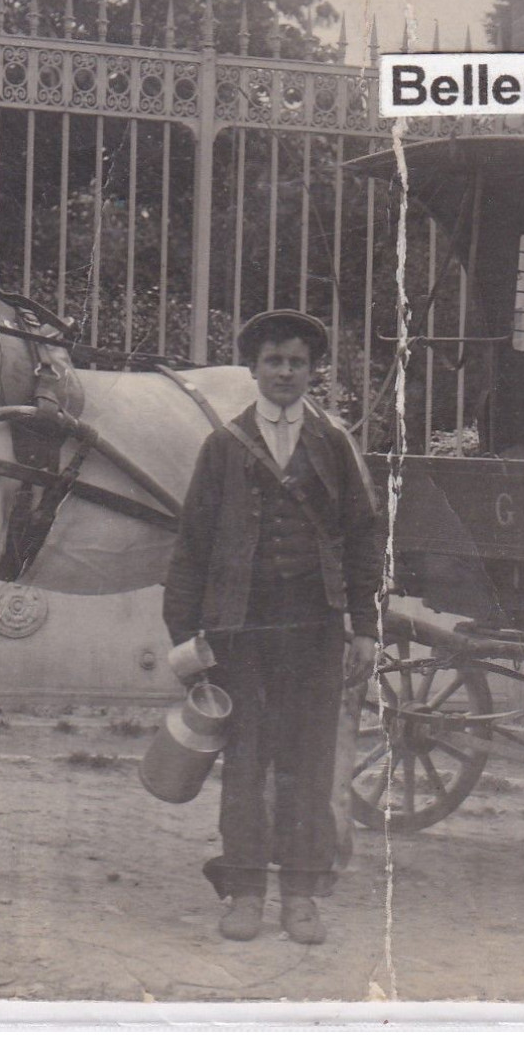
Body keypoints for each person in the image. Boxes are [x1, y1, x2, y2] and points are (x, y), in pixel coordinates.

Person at [163, 309, 382, 946]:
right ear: (254, 370)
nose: (285, 372)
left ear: (315, 372)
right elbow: (192, 548)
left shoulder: (334, 445)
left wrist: (364, 626)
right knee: (246, 763)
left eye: (297, 362)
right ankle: (245, 892)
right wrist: (185, 634)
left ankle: (302, 895)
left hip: (314, 630)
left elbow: (363, 539)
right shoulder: (224, 447)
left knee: (309, 765)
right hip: (241, 633)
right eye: (273, 361)